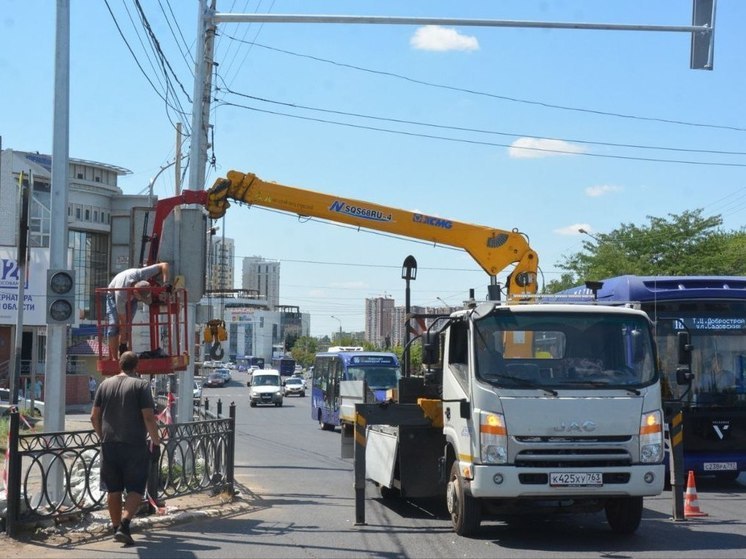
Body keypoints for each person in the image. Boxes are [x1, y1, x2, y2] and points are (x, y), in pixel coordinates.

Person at [90, 351, 161, 546]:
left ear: (119, 365)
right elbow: (148, 417)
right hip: (134, 445)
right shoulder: (141, 386)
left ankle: (115, 529)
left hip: (109, 445)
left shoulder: (105, 384)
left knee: (113, 490)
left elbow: (94, 416)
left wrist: (102, 436)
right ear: (136, 366)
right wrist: (156, 442)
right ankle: (124, 524)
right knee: (136, 488)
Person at [106, 262, 169, 359]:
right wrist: (123, 343)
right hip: (113, 296)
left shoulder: (141, 274)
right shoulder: (120, 295)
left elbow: (164, 265)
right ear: (136, 293)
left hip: (131, 294)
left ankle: (125, 354)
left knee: (128, 325)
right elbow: (123, 323)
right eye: (141, 298)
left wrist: (166, 283)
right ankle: (115, 359)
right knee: (114, 326)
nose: (141, 301)